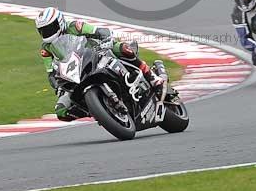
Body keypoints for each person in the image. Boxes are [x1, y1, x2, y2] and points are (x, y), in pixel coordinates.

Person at [35, 7, 166, 121]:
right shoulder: (46, 48)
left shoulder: (75, 26)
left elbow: (98, 31)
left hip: (97, 53)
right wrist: (57, 85)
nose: (47, 33)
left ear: (60, 22)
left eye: (50, 28)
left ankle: (152, 77)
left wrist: (105, 39)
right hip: (75, 73)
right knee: (61, 111)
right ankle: (97, 110)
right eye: (43, 30)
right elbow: (51, 72)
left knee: (123, 49)